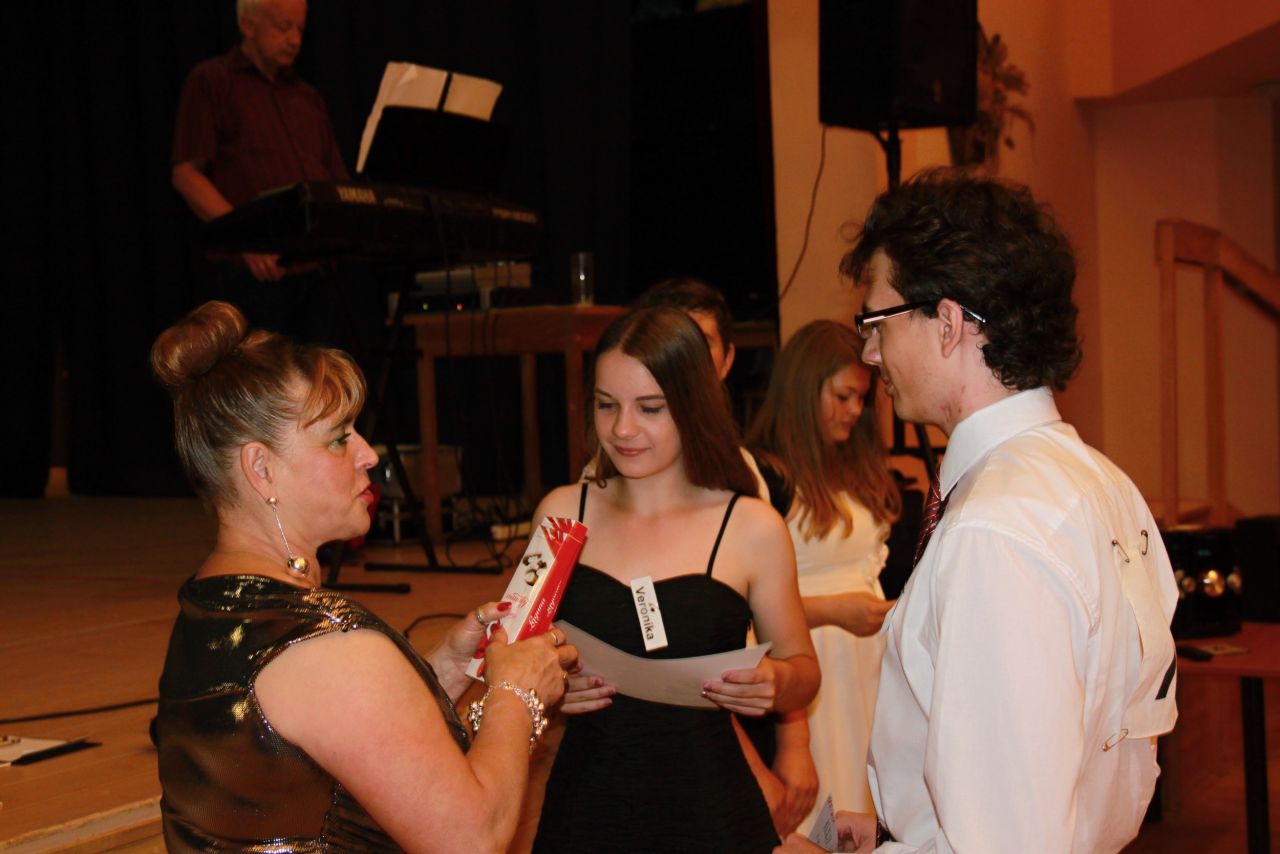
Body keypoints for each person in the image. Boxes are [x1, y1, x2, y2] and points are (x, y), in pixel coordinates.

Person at [777, 169, 1178, 854]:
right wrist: (898, 834)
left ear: (947, 324)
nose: (870, 352)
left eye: (876, 322)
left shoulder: (995, 531)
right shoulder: (1096, 481)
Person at [150, 301, 576, 851]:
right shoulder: (325, 648)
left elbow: (313, 749)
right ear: (262, 469)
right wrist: (518, 692)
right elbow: (472, 839)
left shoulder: (210, 602)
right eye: (338, 438)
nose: (368, 455)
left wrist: (441, 673)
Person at [530, 307, 821, 853]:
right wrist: (548, 688)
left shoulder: (751, 526)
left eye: (650, 408)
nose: (623, 429)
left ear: (692, 405)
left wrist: (776, 682)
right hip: (587, 805)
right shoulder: (563, 513)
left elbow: (804, 671)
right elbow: (511, 656)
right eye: (606, 405)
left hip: (711, 809)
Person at [746, 320, 901, 834]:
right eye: (842, 396)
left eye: (861, 398)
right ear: (802, 388)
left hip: (866, 666)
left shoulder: (855, 465)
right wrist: (835, 610)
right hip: (811, 672)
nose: (854, 411)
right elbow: (742, 604)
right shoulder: (764, 475)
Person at [172, 0, 350, 343]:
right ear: (248, 24)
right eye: (284, 27)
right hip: (254, 274)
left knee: (319, 371)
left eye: (300, 29)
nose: (295, 39)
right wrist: (244, 240)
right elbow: (186, 175)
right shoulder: (212, 80)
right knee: (262, 372)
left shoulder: (307, 97)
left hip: (315, 272)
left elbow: (335, 181)